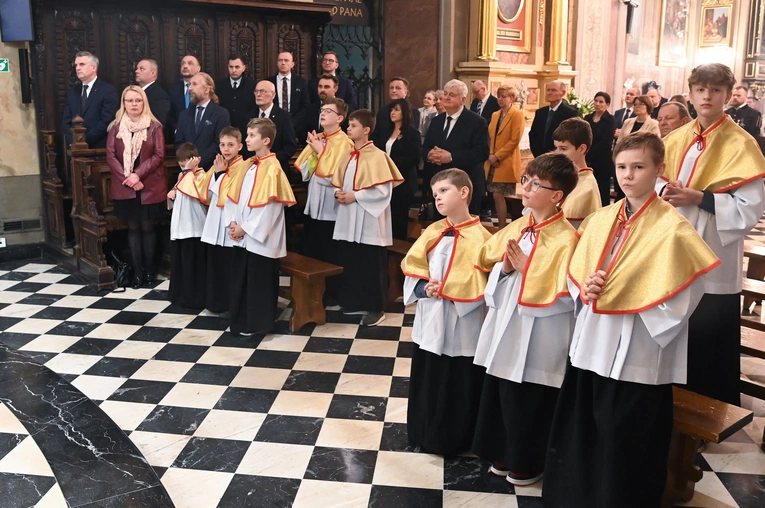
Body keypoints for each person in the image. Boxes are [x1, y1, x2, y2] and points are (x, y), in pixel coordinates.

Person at [543, 132, 719, 507]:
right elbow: (578, 269)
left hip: (638, 345)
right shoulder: (601, 218)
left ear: (659, 169)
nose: (628, 175)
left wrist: (637, 298)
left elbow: (689, 285)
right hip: (594, 340)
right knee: (585, 424)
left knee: (623, 433)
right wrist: (585, 287)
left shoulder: (672, 227)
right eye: (622, 167)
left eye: (639, 167)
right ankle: (575, 495)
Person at [660, 63, 765, 406]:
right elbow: (657, 183)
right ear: (690, 93)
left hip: (714, 253)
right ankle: (672, 404)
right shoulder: (675, 139)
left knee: (706, 338)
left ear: (727, 95)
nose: (707, 96)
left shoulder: (742, 143)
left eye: (716, 90)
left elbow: (748, 208)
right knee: (673, 331)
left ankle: (708, 411)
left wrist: (700, 198)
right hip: (673, 250)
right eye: (701, 90)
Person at [473, 153, 578, 486]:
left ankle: (527, 461)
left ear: (557, 195)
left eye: (536, 184)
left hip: (542, 329)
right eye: (526, 181)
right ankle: (503, 451)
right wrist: (504, 270)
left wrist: (528, 271)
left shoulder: (567, 238)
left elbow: (567, 294)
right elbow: (492, 268)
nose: (528, 188)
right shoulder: (520, 226)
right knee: (503, 389)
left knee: (529, 397)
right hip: (508, 320)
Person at [402, 168, 491, 455]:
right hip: (431, 318)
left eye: (444, 191)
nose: (437, 198)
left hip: (461, 323)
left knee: (457, 380)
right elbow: (413, 267)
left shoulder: (482, 238)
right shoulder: (433, 230)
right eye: (435, 193)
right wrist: (423, 287)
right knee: (429, 376)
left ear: (464, 192)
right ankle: (422, 431)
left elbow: (486, 286)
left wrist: (459, 295)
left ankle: (455, 438)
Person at [331, 109, 403, 327]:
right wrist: (340, 194)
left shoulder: (378, 156)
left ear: (366, 130)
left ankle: (375, 307)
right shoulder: (347, 155)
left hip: (369, 217)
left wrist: (355, 196)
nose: (348, 128)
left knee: (371, 262)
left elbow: (383, 192)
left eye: (352, 125)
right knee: (353, 258)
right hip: (349, 215)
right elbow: (341, 183)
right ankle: (354, 301)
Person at [225, 118, 296, 335]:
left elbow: (269, 209)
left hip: (261, 237)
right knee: (243, 279)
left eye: (251, 135)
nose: (246, 139)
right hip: (243, 234)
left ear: (266, 140)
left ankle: (258, 324)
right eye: (247, 135)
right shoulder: (248, 164)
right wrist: (234, 223)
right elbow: (236, 196)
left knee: (259, 282)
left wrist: (245, 228)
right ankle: (242, 319)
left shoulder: (272, 169)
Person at [105, 85, 166, 288]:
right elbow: (111, 155)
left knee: (147, 228)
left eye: (138, 100)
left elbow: (159, 155)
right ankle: (137, 274)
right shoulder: (116, 127)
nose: (134, 104)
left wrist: (137, 175)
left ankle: (150, 272)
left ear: (144, 102)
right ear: (124, 103)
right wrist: (128, 177)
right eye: (129, 100)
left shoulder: (154, 126)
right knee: (133, 229)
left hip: (148, 185)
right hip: (126, 186)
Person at [294, 97, 354, 302]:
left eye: (328, 111)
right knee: (312, 248)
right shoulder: (318, 137)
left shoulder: (345, 142)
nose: (323, 113)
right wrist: (313, 155)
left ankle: (331, 294)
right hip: (314, 202)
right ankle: (311, 293)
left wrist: (321, 154)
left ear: (339, 118)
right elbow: (305, 172)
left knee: (330, 250)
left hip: (331, 206)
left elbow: (337, 177)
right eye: (322, 109)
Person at [198, 127, 248, 315]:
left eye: (230, 145)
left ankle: (230, 304)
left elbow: (231, 194)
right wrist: (216, 173)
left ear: (240, 146)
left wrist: (220, 175)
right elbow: (208, 192)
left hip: (230, 222)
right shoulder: (217, 164)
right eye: (222, 145)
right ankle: (214, 302)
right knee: (215, 264)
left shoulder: (243, 167)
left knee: (228, 265)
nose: (226, 149)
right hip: (214, 220)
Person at [422, 79, 490, 215]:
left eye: (451, 95)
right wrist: (429, 155)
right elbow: (425, 147)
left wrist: (451, 157)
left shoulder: (476, 122)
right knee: (441, 230)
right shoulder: (436, 121)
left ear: (463, 99)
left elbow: (482, 152)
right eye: (445, 93)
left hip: (465, 187)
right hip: (440, 186)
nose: (446, 97)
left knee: (464, 231)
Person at [167, 143, 206, 309]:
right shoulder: (183, 176)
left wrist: (188, 172)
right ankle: (179, 294)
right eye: (181, 165)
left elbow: (198, 194)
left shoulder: (201, 175)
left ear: (197, 160)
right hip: (181, 225)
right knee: (181, 262)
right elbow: (178, 190)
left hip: (195, 226)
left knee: (194, 263)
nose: (184, 168)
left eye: (187, 164)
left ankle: (194, 297)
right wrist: (172, 192)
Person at [380, 98, 422, 240]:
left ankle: (398, 247)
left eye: (396, 109)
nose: (393, 112)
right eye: (391, 109)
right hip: (385, 180)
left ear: (404, 112)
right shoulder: (386, 131)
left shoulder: (412, 133)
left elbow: (414, 158)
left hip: (403, 181)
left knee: (399, 218)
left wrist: (389, 163)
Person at [485, 85, 524, 228]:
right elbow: (490, 136)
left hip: (506, 160)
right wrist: (490, 155)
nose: (500, 99)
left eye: (504, 96)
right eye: (499, 96)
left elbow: (515, 140)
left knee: (499, 195)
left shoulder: (517, 114)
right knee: (496, 195)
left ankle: (503, 227)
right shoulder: (496, 115)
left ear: (512, 98)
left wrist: (498, 156)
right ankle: (501, 227)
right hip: (492, 160)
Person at [174, 72, 231, 170]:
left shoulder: (221, 114)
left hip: (211, 169)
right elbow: (179, 142)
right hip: (187, 170)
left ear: (207, 89)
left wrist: (198, 162)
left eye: (194, 84)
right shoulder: (184, 115)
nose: (190, 88)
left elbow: (219, 143)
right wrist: (187, 163)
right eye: (190, 84)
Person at [63, 51, 119, 148]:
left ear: (94, 67)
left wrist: (83, 141)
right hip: (74, 148)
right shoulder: (72, 93)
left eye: (82, 64)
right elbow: (66, 121)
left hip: (98, 148)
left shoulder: (108, 91)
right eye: (76, 65)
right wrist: (74, 141)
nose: (77, 68)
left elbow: (106, 121)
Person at [553, 118, 602, 229]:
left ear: (581, 148)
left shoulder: (587, 188)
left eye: (563, 149)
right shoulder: (561, 176)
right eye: (556, 148)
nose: (557, 154)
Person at [250, 80, 297, 174]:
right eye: (256, 91)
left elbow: (290, 146)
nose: (258, 94)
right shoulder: (248, 115)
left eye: (263, 91)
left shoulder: (284, 116)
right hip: (252, 168)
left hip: (276, 169)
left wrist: (269, 159)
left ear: (273, 95)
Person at [528, 80, 578, 157]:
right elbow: (533, 134)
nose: (549, 93)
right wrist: (537, 154)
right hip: (540, 157)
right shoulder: (540, 112)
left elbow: (572, 138)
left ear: (563, 93)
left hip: (560, 158)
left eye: (553, 90)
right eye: (548, 90)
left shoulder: (570, 113)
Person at [267, 51, 311, 139]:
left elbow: (306, 105)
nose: (283, 63)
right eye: (280, 60)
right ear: (277, 63)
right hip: (272, 126)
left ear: (292, 64)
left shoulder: (301, 82)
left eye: (286, 60)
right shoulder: (268, 82)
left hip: (295, 127)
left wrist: (292, 121)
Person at [216, 54, 257, 145]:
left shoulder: (252, 85)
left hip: (245, 131)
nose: (233, 70)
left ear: (243, 68)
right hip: (224, 131)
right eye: (231, 67)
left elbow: (255, 107)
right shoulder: (219, 86)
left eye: (237, 67)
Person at [585, 92, 617, 206]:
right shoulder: (587, 118)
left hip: (602, 160)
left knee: (602, 191)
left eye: (601, 102)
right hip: (586, 160)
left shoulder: (610, 120)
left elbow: (606, 141)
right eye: (596, 101)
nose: (597, 104)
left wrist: (589, 154)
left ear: (607, 105)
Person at [373, 77, 421, 146]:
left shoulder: (413, 111)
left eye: (398, 88)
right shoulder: (383, 111)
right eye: (391, 88)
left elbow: (412, 137)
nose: (394, 90)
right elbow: (376, 134)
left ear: (406, 92)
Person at [302, 74, 349, 140]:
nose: (322, 90)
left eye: (326, 87)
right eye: (320, 86)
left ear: (335, 89)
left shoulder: (343, 108)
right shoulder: (309, 109)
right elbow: (303, 133)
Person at [168, 55, 201, 139]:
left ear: (198, 69)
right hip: (180, 139)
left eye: (190, 63)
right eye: (183, 64)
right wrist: (177, 130)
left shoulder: (204, 90)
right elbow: (170, 115)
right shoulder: (173, 91)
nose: (185, 66)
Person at [135, 59, 170, 128]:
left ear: (153, 73)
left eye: (142, 69)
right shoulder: (134, 92)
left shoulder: (160, 95)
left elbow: (158, 123)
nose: (136, 71)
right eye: (137, 68)